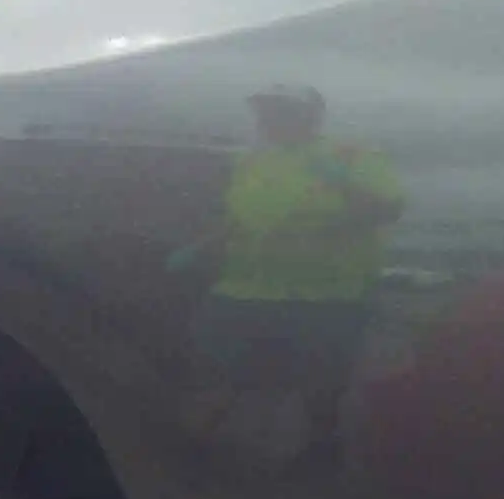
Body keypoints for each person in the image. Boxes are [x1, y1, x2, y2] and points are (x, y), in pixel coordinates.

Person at [170, 85, 405, 469]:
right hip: (246, 289)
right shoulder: (252, 164)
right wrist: (198, 247)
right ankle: (191, 452)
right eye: (265, 111)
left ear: (313, 116)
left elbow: (387, 210)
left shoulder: (354, 155)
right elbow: (239, 219)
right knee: (220, 372)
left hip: (329, 294)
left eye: (283, 111)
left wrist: (339, 180)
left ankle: (320, 454)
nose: (269, 120)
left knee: (322, 383)